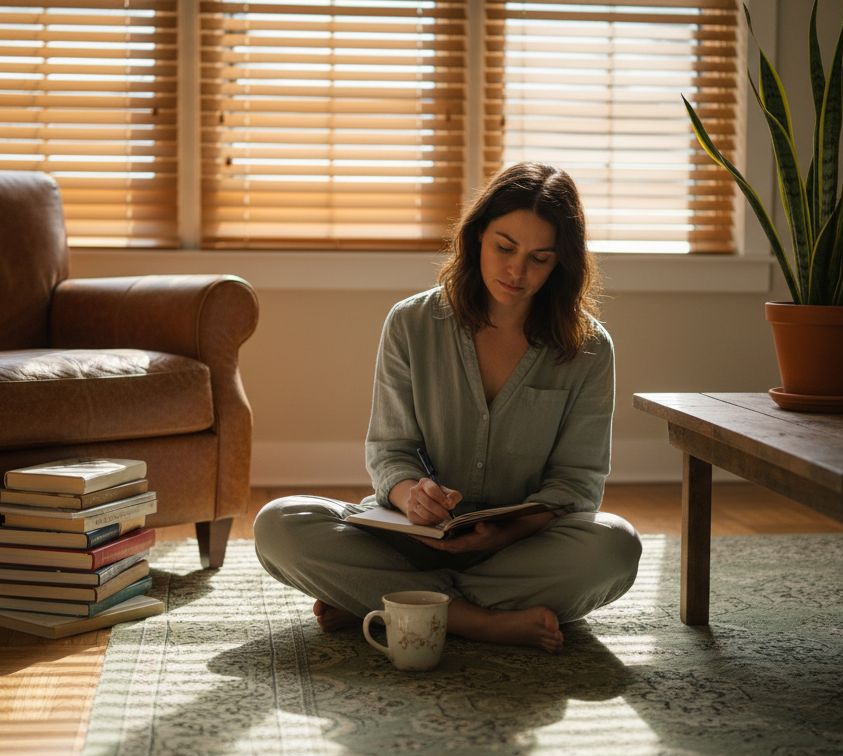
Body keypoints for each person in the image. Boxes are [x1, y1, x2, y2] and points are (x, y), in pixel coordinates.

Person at [253, 162, 641, 653]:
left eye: (539, 258)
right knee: (279, 523)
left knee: (616, 546)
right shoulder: (411, 323)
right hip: (409, 542)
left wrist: (502, 536)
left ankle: (387, 601)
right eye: (504, 247)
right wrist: (411, 494)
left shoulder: (588, 348)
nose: (516, 272)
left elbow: (578, 482)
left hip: (518, 551)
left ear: (560, 264)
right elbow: (390, 451)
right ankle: (477, 620)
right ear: (477, 236)